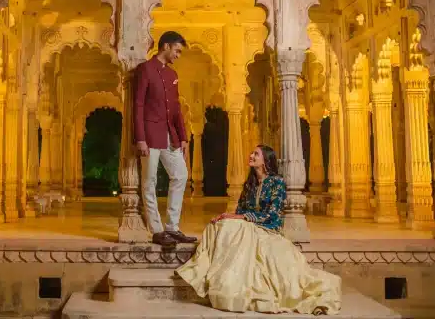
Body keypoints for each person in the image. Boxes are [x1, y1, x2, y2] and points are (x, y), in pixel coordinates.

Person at [176, 144, 341, 314]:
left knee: (230, 226)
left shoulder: (277, 182)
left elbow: (272, 215)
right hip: (248, 225)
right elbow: (240, 210)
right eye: (252, 152)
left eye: (256, 154)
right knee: (218, 225)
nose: (251, 155)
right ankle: (212, 274)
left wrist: (241, 218)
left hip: (268, 228)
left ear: (265, 161)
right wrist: (229, 216)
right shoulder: (250, 184)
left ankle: (228, 285)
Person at [134, 31, 197, 248]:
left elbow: (176, 109)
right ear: (166, 46)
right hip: (151, 136)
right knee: (149, 182)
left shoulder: (171, 75)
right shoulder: (145, 70)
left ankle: (172, 226)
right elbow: (139, 105)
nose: (178, 55)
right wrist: (140, 138)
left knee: (180, 175)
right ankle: (157, 230)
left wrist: (183, 137)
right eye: (177, 50)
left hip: (170, 135)